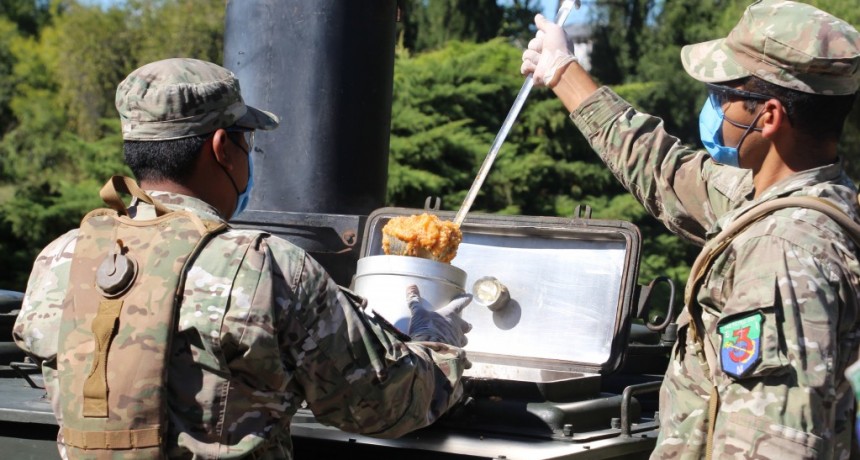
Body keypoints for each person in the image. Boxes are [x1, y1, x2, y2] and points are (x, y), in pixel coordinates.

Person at [13, 57, 472, 459]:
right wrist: (437, 343)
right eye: (247, 142)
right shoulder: (266, 268)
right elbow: (387, 403)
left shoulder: (59, 258)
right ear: (222, 148)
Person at [522, 0, 860, 458]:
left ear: (769, 116)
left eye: (723, 94)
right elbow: (663, 167)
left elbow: (771, 445)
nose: (714, 107)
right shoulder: (791, 197)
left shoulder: (781, 250)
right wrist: (562, 71)